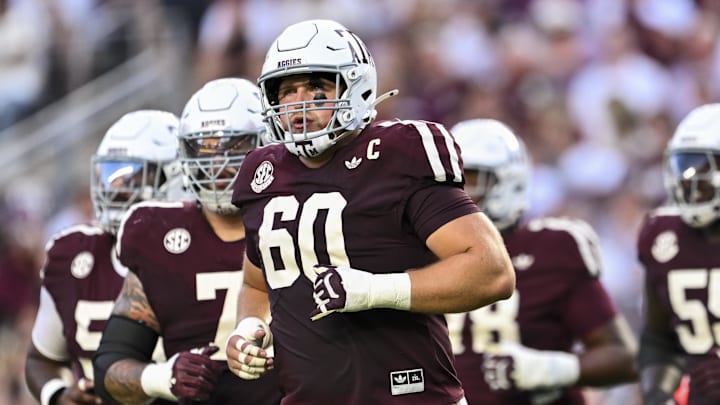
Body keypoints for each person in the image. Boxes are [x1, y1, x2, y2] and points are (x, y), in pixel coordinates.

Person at [225, 19, 515, 404]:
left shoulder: (396, 153)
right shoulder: (262, 173)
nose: (299, 103)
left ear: (356, 85)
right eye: (287, 91)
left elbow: (491, 271)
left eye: (316, 87)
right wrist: (248, 326)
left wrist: (376, 289)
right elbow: (257, 284)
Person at [92, 78, 282, 405]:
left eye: (232, 148)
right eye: (202, 148)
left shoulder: (300, 216)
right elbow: (109, 367)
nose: (215, 164)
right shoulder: (157, 233)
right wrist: (162, 377)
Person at [445, 118, 638, 405]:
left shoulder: (552, 249)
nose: (458, 195)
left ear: (509, 184)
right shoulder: (416, 251)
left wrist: (548, 370)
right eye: (451, 182)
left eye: (471, 181)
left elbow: (623, 358)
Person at [25, 109, 184, 405]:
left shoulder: (199, 250)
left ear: (175, 175)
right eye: (110, 175)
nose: (116, 190)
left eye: (133, 176)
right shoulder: (71, 256)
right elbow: (41, 357)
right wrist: (58, 396)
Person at [637, 103, 720, 405]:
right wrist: (659, 396)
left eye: (703, 165)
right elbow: (658, 338)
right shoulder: (663, 236)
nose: (689, 177)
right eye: (684, 163)